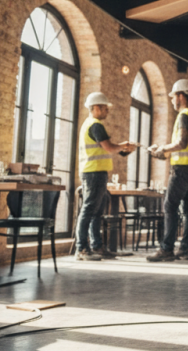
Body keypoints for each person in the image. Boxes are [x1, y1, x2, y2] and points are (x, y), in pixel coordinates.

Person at [146, 79, 188, 262]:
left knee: (169, 206)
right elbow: (185, 147)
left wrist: (163, 148)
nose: (172, 100)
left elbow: (181, 143)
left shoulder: (184, 116)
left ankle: (167, 249)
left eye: (173, 97)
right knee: (187, 209)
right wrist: (161, 152)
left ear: (180, 96)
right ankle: (184, 249)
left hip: (182, 169)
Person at [76, 92, 135, 261]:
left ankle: (97, 246)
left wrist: (124, 149)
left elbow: (105, 148)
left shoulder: (90, 124)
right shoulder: (95, 125)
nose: (107, 111)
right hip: (93, 173)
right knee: (89, 209)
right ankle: (82, 249)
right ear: (95, 108)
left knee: (96, 211)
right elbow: (109, 147)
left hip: (96, 172)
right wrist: (124, 146)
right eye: (104, 108)